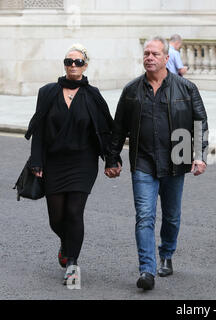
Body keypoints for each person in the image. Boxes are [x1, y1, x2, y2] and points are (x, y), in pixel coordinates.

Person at [105, 36, 208, 291]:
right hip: (143, 162)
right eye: (146, 53)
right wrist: (112, 157)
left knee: (171, 216)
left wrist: (199, 154)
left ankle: (167, 253)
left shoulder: (186, 88)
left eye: (154, 54)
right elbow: (119, 128)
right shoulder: (131, 90)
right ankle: (146, 270)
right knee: (145, 217)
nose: (149, 57)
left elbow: (200, 124)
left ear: (166, 58)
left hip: (176, 160)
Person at [25, 43, 116, 286]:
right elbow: (40, 129)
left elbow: (106, 129)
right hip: (54, 162)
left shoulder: (93, 95)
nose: (72, 66)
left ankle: (73, 262)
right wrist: (36, 160)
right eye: (68, 61)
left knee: (75, 212)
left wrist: (111, 159)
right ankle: (67, 242)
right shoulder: (47, 92)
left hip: (83, 163)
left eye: (77, 62)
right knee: (56, 218)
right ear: (64, 65)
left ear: (85, 65)